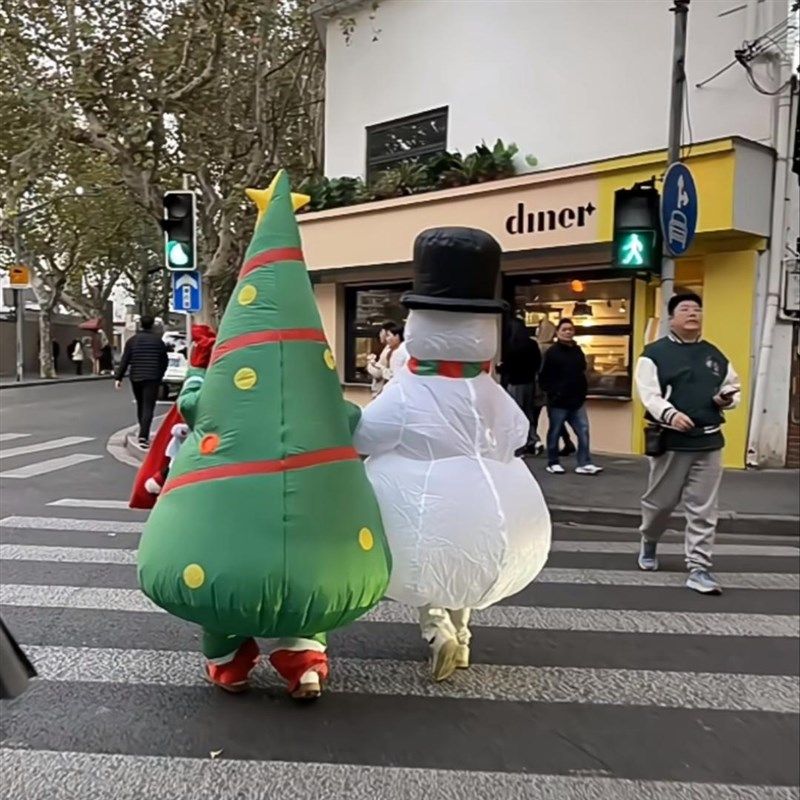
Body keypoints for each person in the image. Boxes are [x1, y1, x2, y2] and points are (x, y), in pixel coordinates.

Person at [353, 226, 551, 682]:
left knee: (426, 561)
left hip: (420, 493)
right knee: (471, 556)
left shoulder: (407, 390)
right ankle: (462, 636)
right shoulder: (488, 389)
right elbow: (516, 432)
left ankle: (438, 627)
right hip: (488, 495)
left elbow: (367, 435)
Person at [634, 292, 740, 595]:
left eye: (697, 309)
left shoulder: (714, 354)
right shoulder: (654, 354)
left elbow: (733, 386)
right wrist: (670, 413)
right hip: (671, 442)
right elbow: (649, 394)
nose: (692, 313)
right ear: (672, 318)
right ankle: (649, 540)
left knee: (704, 508)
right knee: (661, 504)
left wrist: (725, 399)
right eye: (685, 309)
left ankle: (699, 567)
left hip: (709, 440)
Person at [539, 318, 602, 475]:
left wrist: (583, 392)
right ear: (558, 332)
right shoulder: (552, 353)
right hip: (558, 401)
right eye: (564, 329)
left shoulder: (577, 351)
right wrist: (553, 393)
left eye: (570, 329)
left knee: (583, 430)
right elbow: (544, 376)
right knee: (555, 431)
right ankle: (553, 462)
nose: (568, 332)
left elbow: (582, 371)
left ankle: (584, 463)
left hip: (577, 399)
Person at [114, 315, 169, 448]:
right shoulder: (158, 342)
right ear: (152, 326)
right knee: (148, 406)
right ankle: (144, 435)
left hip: (136, 377)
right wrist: (159, 375)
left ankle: (142, 430)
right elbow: (164, 361)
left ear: (140, 325)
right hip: (152, 378)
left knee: (141, 404)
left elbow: (125, 360)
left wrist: (118, 377)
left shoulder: (132, 341)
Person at [500, 316, 542, 455]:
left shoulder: (511, 346)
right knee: (528, 412)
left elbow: (507, 367)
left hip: (514, 382)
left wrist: (501, 368)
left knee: (515, 414)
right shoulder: (532, 344)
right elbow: (537, 363)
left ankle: (520, 444)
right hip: (529, 382)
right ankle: (533, 439)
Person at [365, 322, 393, 398]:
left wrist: (369, 363)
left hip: (381, 392)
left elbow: (378, 374)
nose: (380, 335)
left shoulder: (388, 351)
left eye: (381, 332)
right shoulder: (389, 348)